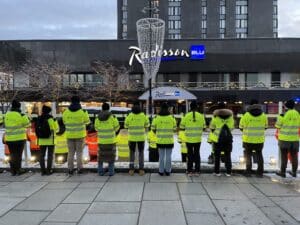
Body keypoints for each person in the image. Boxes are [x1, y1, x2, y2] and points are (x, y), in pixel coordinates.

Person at [239, 100, 268, 177]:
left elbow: (241, 127)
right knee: (259, 155)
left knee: (248, 155)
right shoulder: (263, 115)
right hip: (259, 140)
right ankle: (260, 172)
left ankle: (248, 171)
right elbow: (265, 127)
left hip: (248, 139)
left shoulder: (246, 115)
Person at [62, 96, 90, 175]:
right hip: (80, 136)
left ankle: (70, 169)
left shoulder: (66, 112)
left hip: (69, 136)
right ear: (79, 102)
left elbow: (64, 122)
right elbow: (87, 122)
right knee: (79, 152)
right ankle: (79, 168)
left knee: (70, 152)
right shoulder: (83, 112)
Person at [4, 100, 30, 176]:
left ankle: (13, 170)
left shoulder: (7, 115)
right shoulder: (21, 115)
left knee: (12, 154)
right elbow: (28, 124)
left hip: (9, 139)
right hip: (19, 138)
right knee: (18, 155)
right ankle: (18, 170)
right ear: (19, 107)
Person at [180, 101, 206, 176]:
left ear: (190, 107)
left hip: (188, 139)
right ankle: (197, 171)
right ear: (196, 107)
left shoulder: (186, 116)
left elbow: (181, 127)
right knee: (197, 154)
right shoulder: (201, 116)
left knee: (190, 154)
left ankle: (189, 170)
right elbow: (204, 127)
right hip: (198, 139)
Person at [275, 99, 300, 178]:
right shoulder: (297, 114)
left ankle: (282, 172)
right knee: (294, 156)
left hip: (284, 139)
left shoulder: (283, 115)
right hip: (295, 139)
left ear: (286, 106)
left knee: (284, 156)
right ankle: (294, 172)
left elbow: (278, 126)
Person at [151, 102, 177, 176]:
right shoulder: (172, 118)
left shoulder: (157, 118)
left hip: (160, 140)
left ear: (161, 109)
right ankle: (168, 171)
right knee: (168, 157)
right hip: (169, 140)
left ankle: (161, 171)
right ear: (168, 109)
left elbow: (153, 129)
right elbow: (175, 129)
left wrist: (158, 132)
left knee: (161, 157)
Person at [124, 102, 149, 176]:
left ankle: (131, 169)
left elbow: (126, 126)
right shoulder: (143, 116)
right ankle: (141, 169)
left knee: (132, 154)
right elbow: (147, 125)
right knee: (141, 153)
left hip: (131, 138)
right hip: (141, 138)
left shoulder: (129, 116)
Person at [95, 103, 120, 176]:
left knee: (100, 157)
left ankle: (100, 172)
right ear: (109, 108)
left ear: (102, 108)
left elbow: (96, 128)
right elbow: (117, 127)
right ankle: (111, 172)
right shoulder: (112, 117)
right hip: (111, 141)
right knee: (111, 156)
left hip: (101, 140)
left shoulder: (97, 117)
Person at [209, 102, 234, 176]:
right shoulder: (231, 118)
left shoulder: (215, 117)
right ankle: (228, 172)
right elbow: (232, 128)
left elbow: (212, 128)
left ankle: (217, 172)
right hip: (228, 139)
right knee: (228, 155)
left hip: (218, 139)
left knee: (217, 156)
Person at [36, 105, 58, 175]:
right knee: (50, 155)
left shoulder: (38, 118)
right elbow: (57, 129)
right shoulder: (51, 119)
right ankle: (49, 170)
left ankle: (42, 171)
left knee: (42, 155)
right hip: (50, 140)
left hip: (41, 140)